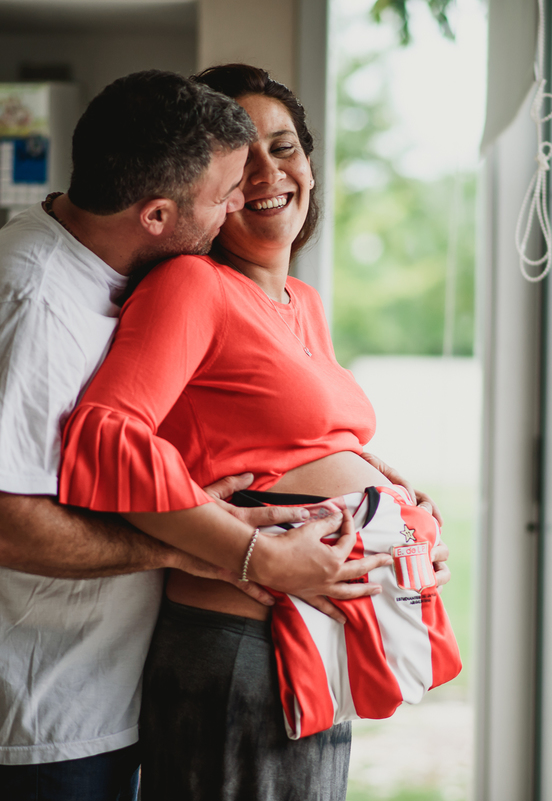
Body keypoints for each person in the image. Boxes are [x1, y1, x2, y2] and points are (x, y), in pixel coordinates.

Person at [0, 70, 401, 801]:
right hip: (32, 715)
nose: (231, 213)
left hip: (93, 688)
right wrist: (228, 550)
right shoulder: (28, 302)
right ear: (156, 214)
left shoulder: (102, 278)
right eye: (223, 195)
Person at [57, 64, 457, 800]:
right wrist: (251, 552)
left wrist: (393, 508)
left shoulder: (300, 300)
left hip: (304, 644)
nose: (271, 172)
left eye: (285, 147)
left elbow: (291, 441)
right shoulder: (191, 287)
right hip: (240, 652)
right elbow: (105, 437)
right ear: (208, 187)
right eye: (243, 163)